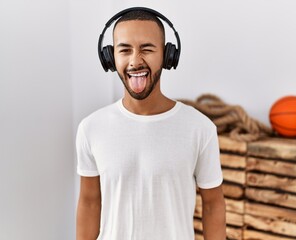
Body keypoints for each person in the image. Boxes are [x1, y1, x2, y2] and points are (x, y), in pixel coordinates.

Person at [76, 7, 226, 240]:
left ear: (167, 56)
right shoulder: (90, 128)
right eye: (124, 50)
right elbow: (89, 202)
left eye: (147, 49)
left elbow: (213, 205)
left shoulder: (200, 128)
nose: (135, 61)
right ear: (110, 57)